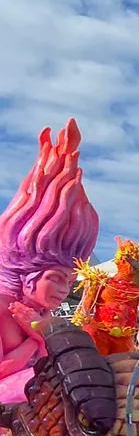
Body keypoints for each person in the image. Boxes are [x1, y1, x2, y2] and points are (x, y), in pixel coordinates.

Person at [0, 120, 99, 402]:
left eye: (70, 281)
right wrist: (36, 340)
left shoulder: (43, 316)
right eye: (55, 278)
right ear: (27, 276)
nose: (65, 290)